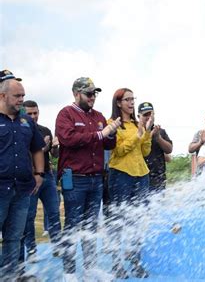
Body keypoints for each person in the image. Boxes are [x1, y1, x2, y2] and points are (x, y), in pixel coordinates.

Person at [55, 77, 120, 281]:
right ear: (76, 93)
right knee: (73, 224)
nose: (93, 97)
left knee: (91, 225)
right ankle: (69, 272)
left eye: (95, 93)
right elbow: (69, 139)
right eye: (88, 93)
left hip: (95, 177)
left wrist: (111, 133)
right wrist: (101, 134)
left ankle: (90, 268)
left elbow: (109, 145)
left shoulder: (99, 116)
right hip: (72, 177)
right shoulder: (66, 114)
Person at [0, 70, 45, 280]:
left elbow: (37, 148)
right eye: (17, 96)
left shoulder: (27, 122)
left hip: (22, 191)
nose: (21, 100)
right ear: (2, 96)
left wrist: (39, 173)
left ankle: (11, 276)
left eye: (23, 96)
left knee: (14, 238)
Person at [107, 89, 153, 279]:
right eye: (127, 99)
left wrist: (146, 132)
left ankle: (136, 261)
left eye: (133, 99)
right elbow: (118, 151)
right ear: (118, 103)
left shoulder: (137, 123)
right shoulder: (112, 124)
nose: (132, 102)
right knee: (119, 220)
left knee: (138, 220)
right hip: (121, 174)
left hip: (142, 174)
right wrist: (137, 135)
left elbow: (145, 152)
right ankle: (117, 263)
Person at [19, 100, 61, 264]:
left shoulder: (45, 130)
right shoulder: (20, 130)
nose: (33, 116)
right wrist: (41, 149)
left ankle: (58, 246)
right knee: (30, 216)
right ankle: (31, 250)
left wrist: (55, 146)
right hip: (30, 178)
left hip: (48, 177)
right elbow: (21, 155)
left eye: (35, 113)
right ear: (23, 113)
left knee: (54, 212)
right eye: (29, 113)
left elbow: (54, 155)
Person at [139, 102, 173, 193]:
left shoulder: (160, 131)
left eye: (150, 114)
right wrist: (149, 134)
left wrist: (158, 138)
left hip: (158, 177)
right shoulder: (136, 131)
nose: (148, 117)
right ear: (139, 116)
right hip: (139, 177)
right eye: (145, 115)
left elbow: (169, 150)